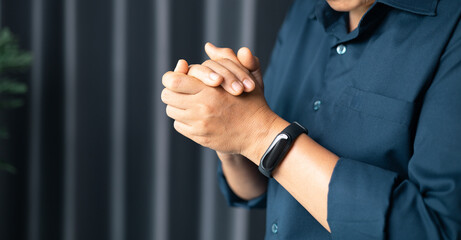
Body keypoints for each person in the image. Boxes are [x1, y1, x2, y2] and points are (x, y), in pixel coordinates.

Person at [161, 0, 461, 239]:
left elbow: (436, 228)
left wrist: (258, 133)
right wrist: (230, 136)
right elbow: (260, 190)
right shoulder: (306, 8)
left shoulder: (453, 26)